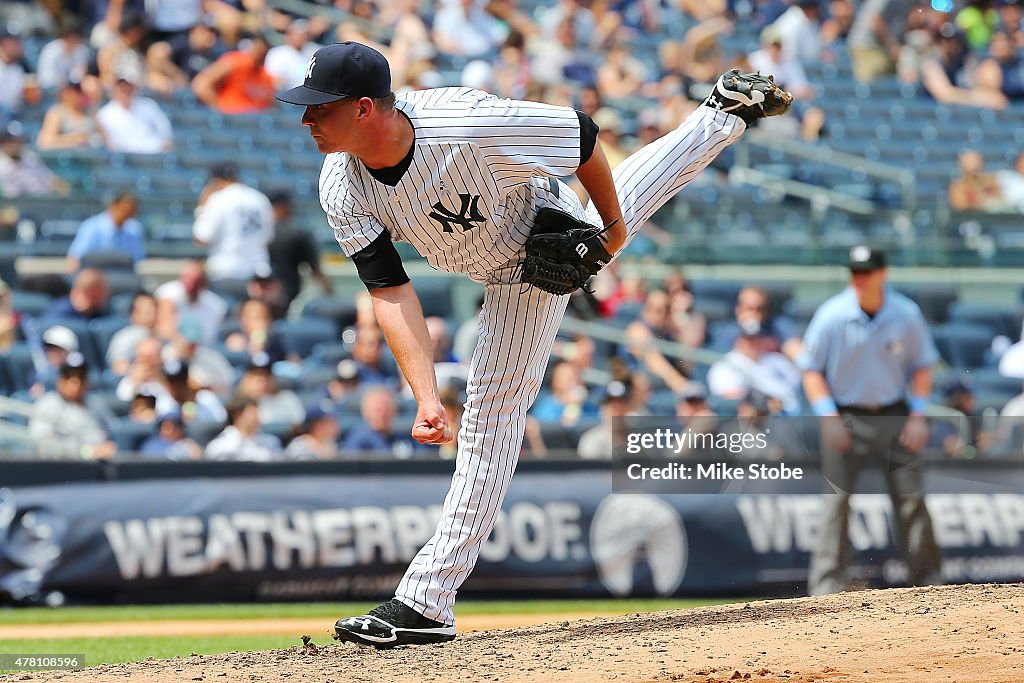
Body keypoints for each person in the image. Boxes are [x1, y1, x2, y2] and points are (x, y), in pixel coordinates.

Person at [276, 41, 790, 646]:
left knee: (491, 419)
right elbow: (390, 290)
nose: (306, 118)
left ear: (365, 108)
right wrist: (424, 394)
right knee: (627, 195)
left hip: (542, 236)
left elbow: (584, 138)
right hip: (490, 262)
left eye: (319, 107)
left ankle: (426, 600)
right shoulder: (341, 184)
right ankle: (722, 114)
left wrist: (612, 236)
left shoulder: (466, 122)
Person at [798, 246, 943, 596]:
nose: (859, 279)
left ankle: (928, 584)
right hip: (845, 416)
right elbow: (810, 371)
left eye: (867, 272)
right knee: (836, 502)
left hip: (895, 415)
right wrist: (828, 418)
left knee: (911, 498)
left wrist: (918, 415)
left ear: (883, 274)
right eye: (854, 272)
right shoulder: (832, 315)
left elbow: (922, 366)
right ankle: (826, 589)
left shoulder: (905, 314)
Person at [192, 162, 274, 281]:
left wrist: (201, 208)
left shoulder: (218, 198)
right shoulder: (260, 198)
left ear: (215, 180)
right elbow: (268, 242)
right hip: (258, 273)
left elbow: (201, 238)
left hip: (226, 271)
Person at [28, 353, 118, 459]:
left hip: (104, 466)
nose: (75, 383)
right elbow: (44, 446)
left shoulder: (96, 403)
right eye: (68, 376)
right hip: (68, 468)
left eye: (80, 377)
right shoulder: (47, 404)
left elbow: (115, 432)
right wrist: (87, 452)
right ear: (59, 380)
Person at [707, 320, 802, 413]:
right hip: (750, 416)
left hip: (787, 412)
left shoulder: (777, 360)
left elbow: (797, 386)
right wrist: (766, 401)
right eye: (748, 339)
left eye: (757, 339)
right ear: (738, 341)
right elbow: (727, 395)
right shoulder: (726, 363)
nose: (753, 343)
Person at [267, 188, 332, 307]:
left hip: (259, 292)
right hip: (287, 296)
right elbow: (316, 270)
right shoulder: (298, 233)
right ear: (285, 206)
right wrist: (330, 294)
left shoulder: (258, 233)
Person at [191, 34, 275, 114]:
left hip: (255, 124)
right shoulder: (236, 62)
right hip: (230, 120)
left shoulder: (266, 75)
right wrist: (219, 109)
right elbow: (201, 84)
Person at [154, 260, 229, 347]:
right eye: (187, 278)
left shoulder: (216, 305)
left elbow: (209, 338)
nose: (191, 284)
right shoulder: (168, 293)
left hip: (202, 349)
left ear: (203, 283)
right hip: (172, 347)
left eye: (195, 280)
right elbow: (164, 331)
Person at [66, 191, 145, 272]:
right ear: (114, 205)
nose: (127, 214)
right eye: (125, 209)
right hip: (96, 279)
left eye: (131, 212)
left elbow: (138, 261)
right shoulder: (91, 227)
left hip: (125, 278)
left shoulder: (135, 229)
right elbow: (74, 258)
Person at [96, 76, 174, 154]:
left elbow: (164, 130)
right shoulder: (104, 114)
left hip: (152, 153)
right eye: (121, 87)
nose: (125, 90)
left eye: (127, 86)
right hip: (124, 158)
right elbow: (108, 144)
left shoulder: (148, 105)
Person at [204, 396, 284, 461]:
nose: (257, 418)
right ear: (237, 415)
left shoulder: (271, 442)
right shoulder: (219, 446)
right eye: (252, 413)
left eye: (258, 413)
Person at [37, 81, 103, 151]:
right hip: (66, 158)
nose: (76, 95)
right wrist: (73, 139)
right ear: (64, 93)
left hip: (91, 156)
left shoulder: (90, 113)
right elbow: (44, 142)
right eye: (73, 91)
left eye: (79, 91)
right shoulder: (57, 113)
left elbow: (104, 139)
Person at [42, 267, 110, 320]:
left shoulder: (105, 312)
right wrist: (81, 309)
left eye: (97, 295)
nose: (94, 300)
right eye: (90, 295)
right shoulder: (60, 309)